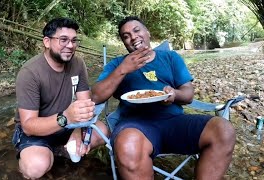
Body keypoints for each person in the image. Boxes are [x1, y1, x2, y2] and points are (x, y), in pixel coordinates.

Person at [91, 16, 236, 180]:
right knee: (128, 144)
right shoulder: (117, 64)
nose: (133, 37)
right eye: (126, 36)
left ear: (147, 32)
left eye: (136, 30)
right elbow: (95, 96)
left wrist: (175, 94)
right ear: (124, 43)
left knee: (223, 130)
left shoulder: (170, 57)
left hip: (174, 121)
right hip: (135, 125)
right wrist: (123, 69)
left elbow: (188, 94)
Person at [12, 17, 109, 179]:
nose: (70, 46)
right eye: (63, 40)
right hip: (37, 130)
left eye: (73, 40)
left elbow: (85, 105)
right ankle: (34, 155)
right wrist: (67, 118)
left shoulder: (78, 64)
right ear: (47, 42)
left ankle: (60, 150)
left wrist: (77, 131)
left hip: (67, 124)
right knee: (36, 167)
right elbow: (28, 125)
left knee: (103, 131)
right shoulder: (30, 73)